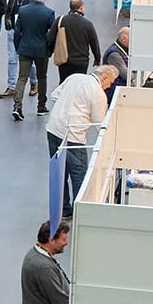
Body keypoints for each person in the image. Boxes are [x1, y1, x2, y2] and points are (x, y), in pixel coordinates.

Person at [47, 65, 116, 216]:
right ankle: (80, 213)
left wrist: (67, 107)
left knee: (60, 172)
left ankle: (63, 210)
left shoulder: (74, 77)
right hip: (73, 136)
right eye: (110, 82)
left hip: (53, 128)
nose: (109, 86)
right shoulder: (98, 93)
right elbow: (99, 123)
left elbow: (54, 96)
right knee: (79, 175)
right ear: (104, 78)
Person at [10, 0, 57, 121]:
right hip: (41, 50)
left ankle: (17, 106)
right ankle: (41, 106)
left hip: (25, 48)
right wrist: (49, 49)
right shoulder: (49, 13)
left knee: (22, 77)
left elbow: (17, 32)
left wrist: (18, 47)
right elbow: (52, 34)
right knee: (42, 77)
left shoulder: (23, 10)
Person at [0, 0, 33, 98]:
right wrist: (8, 24)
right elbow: (9, 9)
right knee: (12, 60)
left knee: (30, 59)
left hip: (26, 32)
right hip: (13, 30)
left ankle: (34, 83)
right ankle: (11, 86)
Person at [55, 0, 100, 82]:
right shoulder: (87, 24)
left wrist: (51, 52)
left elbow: (50, 38)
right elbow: (94, 43)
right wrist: (97, 58)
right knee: (79, 83)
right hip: (81, 61)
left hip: (65, 60)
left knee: (65, 83)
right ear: (81, 8)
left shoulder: (61, 20)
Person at [103, 26, 130, 98]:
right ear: (124, 38)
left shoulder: (122, 50)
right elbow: (126, 75)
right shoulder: (114, 54)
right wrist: (135, 71)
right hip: (113, 90)